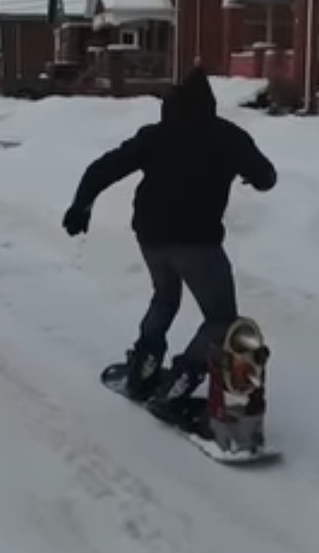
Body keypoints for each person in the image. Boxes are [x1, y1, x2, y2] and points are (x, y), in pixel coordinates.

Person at [62, 67, 277, 424]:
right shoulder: (227, 137)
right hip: (198, 245)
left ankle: (145, 365)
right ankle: (180, 382)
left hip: (151, 237)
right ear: (208, 104)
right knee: (221, 320)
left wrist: (81, 205)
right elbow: (267, 178)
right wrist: (249, 174)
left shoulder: (155, 136)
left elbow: (104, 168)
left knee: (165, 297)